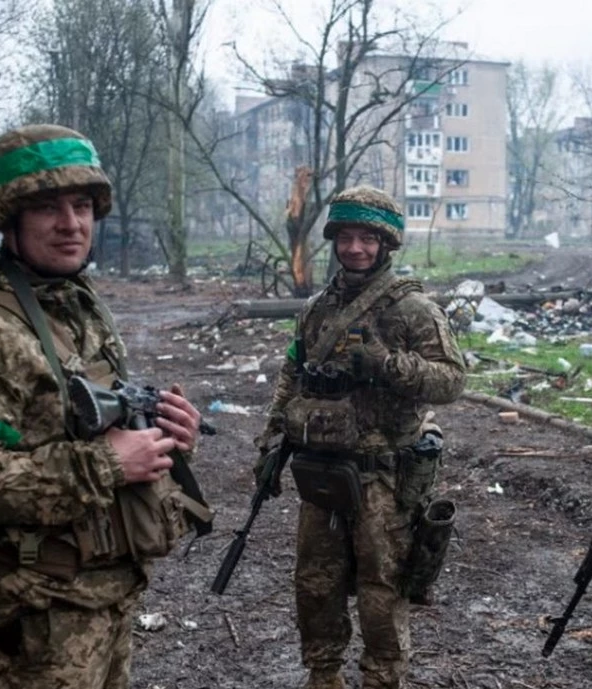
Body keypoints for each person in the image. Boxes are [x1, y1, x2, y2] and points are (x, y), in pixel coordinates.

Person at [0, 124, 209, 689]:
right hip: (35, 619)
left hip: (105, 599)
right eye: (48, 208)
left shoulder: (75, 304)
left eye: (82, 206)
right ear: (8, 218)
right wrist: (107, 464)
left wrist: (165, 434)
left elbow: (84, 421)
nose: (72, 224)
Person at [256, 186, 466, 689]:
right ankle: (323, 673)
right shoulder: (316, 310)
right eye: (346, 237)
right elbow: (293, 374)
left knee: (381, 587)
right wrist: (271, 440)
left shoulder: (413, 309)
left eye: (366, 239)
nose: (354, 248)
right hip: (321, 470)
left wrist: (387, 364)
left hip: (383, 476)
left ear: (385, 243)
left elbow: (452, 380)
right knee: (316, 582)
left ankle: (381, 679)